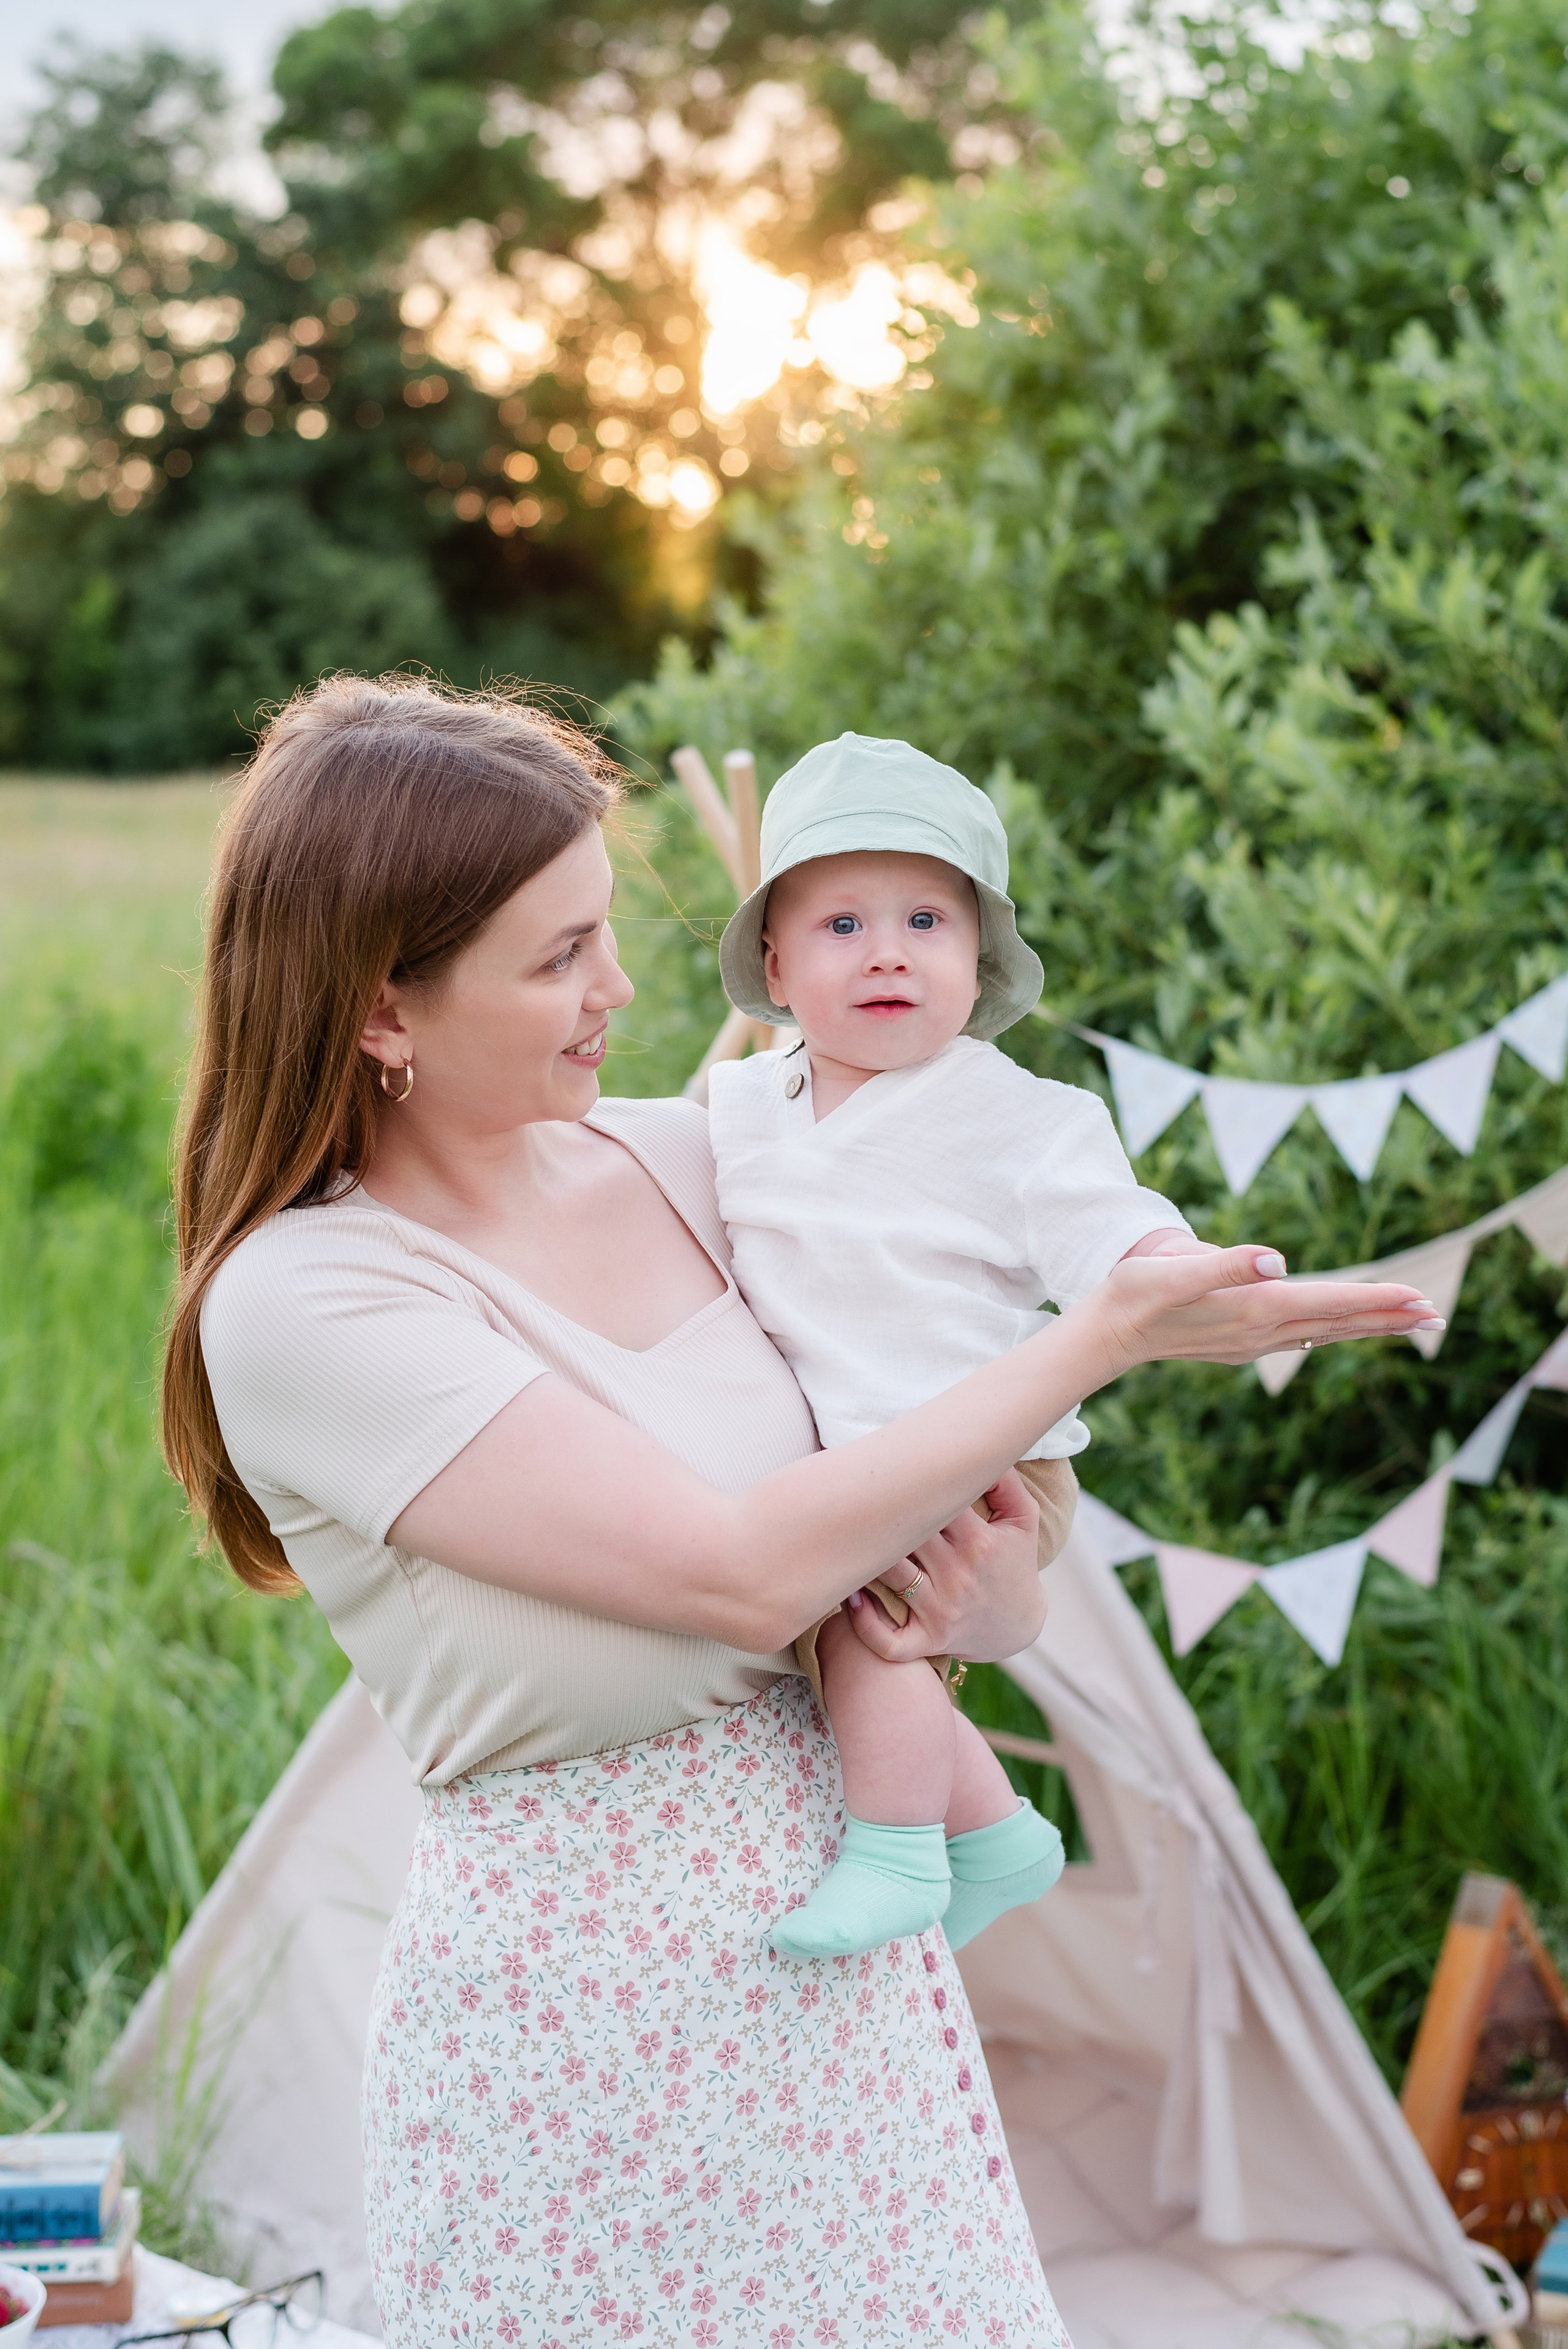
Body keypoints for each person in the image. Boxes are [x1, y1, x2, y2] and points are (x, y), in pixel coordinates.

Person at [161, 675, 1442, 2349]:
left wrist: (998, 1600)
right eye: (558, 959)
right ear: (380, 1008)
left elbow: (926, 1439)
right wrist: (1102, 1338)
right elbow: (742, 1570)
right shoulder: (309, 1303)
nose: (619, 990)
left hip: (852, 1971)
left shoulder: (687, 1157)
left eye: (607, 930)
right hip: (586, 2034)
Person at [709, 733, 1226, 1961]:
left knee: (863, 1623)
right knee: (838, 1609)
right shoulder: (737, 1110)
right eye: (840, 926)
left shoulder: (1014, 1116)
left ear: (977, 958)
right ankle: (992, 1832)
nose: (886, 949)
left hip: (987, 1466)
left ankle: (900, 1853)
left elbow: (1106, 1224)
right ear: (774, 964)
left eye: (926, 920)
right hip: (854, 1468)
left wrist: (1163, 1272)